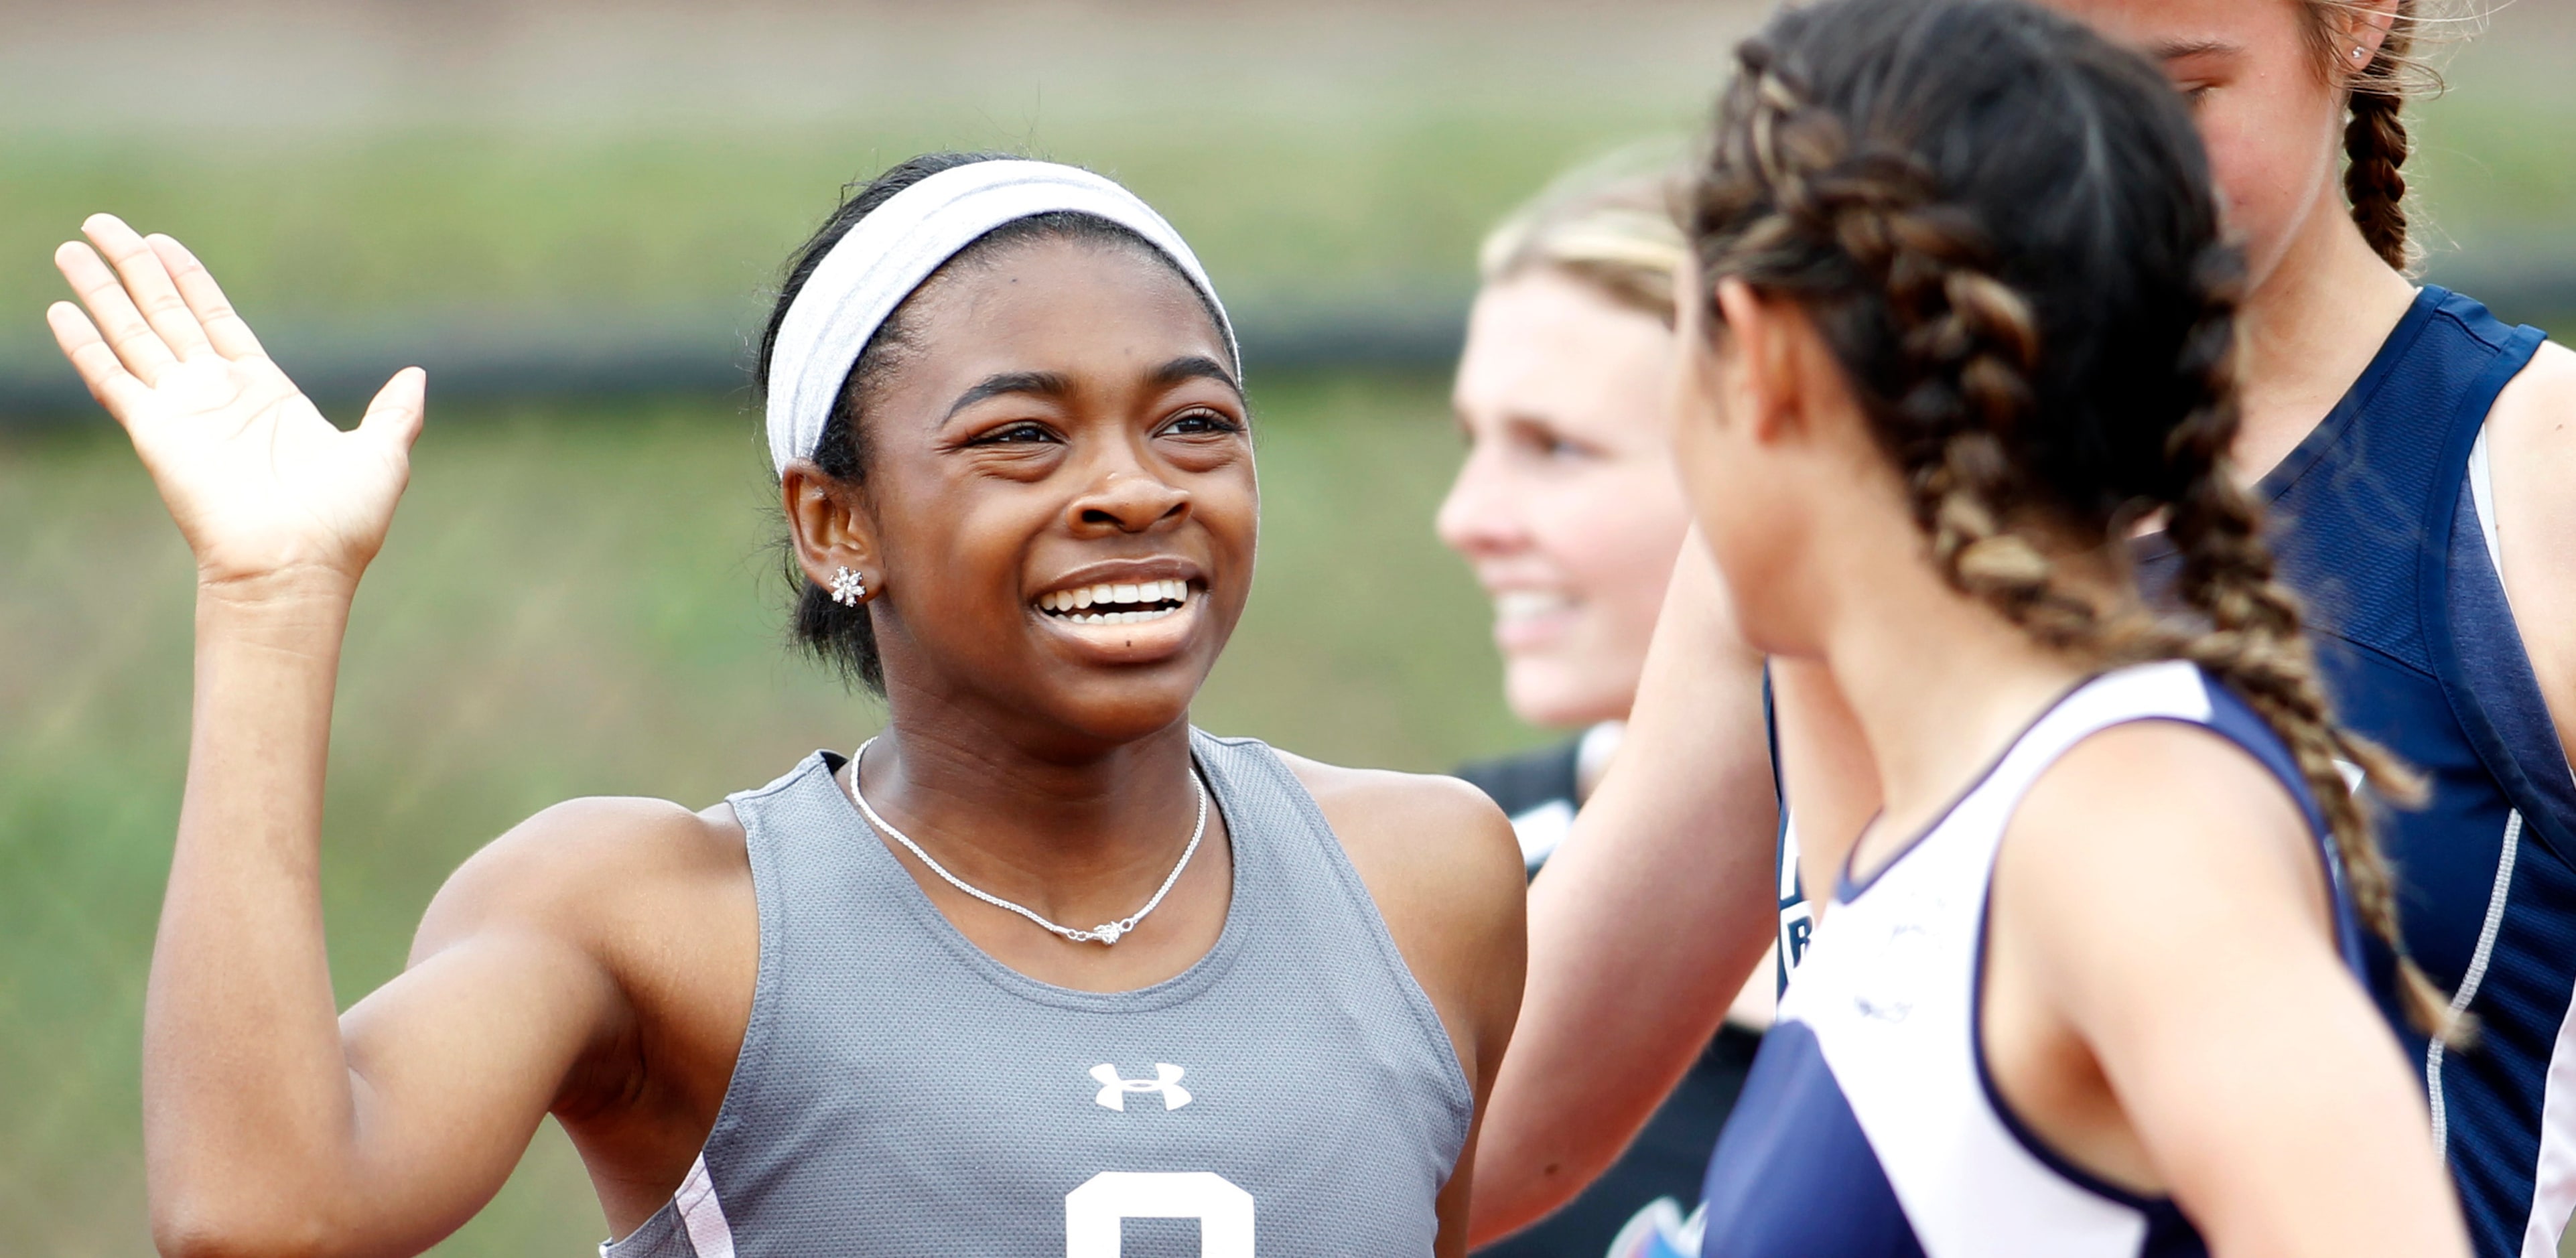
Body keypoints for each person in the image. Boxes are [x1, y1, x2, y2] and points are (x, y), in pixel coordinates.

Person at [44, 153, 1526, 1257]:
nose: (1136, 486)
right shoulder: (653, 918)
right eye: (1021, 434)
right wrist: (270, 601)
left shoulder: (1423, 875)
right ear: (836, 528)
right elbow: (262, 1215)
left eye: (1194, 423)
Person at [1475, 1, 2576, 1253]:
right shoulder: (1832, 576)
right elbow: (1477, 1143)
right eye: (2003, 100)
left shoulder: (2524, 492)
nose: (2078, 184)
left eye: (2166, 98)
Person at [1438, 164, 1774, 1256]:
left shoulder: (2013, 873)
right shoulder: (1439, 882)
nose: (1467, 517)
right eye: (1472, 441)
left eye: (1555, 448)